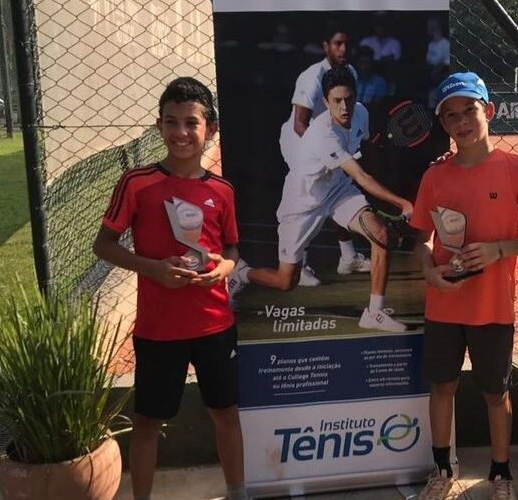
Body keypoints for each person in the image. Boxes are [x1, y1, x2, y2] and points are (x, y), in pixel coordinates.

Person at [93, 77, 247, 500]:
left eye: (191, 123)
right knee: (147, 422)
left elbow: (231, 248)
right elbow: (103, 245)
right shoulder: (136, 183)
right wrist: (153, 269)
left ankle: (238, 492)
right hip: (159, 328)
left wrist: (223, 269)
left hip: (215, 325)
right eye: (171, 122)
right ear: (159, 126)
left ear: (210, 129)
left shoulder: (222, 190)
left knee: (226, 414)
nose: (181, 132)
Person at [412, 72, 518, 500]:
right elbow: (420, 241)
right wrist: (430, 273)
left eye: (469, 111)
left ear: (488, 111)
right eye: (450, 116)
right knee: (442, 387)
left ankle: (501, 473)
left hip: (493, 306)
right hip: (443, 304)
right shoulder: (434, 177)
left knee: (495, 392)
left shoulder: (516, 169)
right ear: (443, 124)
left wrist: (498, 250)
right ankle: (441, 470)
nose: (461, 122)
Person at [232, 66, 413, 333]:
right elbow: (361, 176)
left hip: (337, 189)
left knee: (380, 234)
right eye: (336, 101)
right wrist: (402, 203)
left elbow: (363, 148)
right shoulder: (322, 132)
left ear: (356, 96)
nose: (344, 107)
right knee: (286, 281)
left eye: (348, 99)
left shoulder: (360, 112)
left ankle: (374, 313)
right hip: (303, 202)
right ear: (326, 102)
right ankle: (241, 273)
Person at [278, 23, 369, 286]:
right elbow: (299, 124)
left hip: (330, 138)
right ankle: (302, 264)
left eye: (347, 44)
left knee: (338, 191)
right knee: (311, 199)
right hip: (300, 141)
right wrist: (327, 152)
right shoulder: (311, 77)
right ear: (325, 46)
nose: (343, 49)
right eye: (337, 43)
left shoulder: (349, 73)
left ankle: (348, 257)